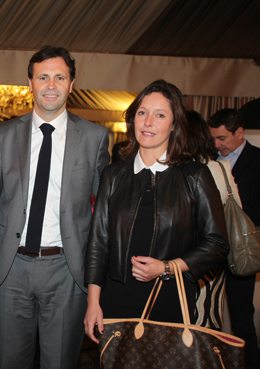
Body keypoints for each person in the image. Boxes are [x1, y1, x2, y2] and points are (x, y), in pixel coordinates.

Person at [84, 80, 229, 352]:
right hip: (116, 299)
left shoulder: (194, 176)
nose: (148, 122)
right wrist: (93, 303)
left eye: (160, 115)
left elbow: (217, 243)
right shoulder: (113, 175)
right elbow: (98, 243)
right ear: (133, 119)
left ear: (174, 125)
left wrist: (166, 267)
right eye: (142, 113)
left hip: (169, 298)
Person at [0, 46, 110, 369]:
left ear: (72, 84)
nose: (52, 85)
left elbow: (104, 214)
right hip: (11, 269)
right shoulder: (3, 135)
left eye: (60, 77)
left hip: (65, 270)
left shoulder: (95, 137)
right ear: (30, 82)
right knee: (12, 361)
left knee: (59, 362)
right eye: (43, 77)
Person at [208, 108, 260, 369]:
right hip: (209, 248)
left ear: (240, 133)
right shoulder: (210, 160)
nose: (217, 145)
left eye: (222, 139)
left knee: (241, 315)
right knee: (205, 314)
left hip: (242, 249)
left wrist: (229, 206)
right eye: (213, 139)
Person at [186, 110, 242, 330]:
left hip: (182, 258)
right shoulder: (220, 167)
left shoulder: (174, 169)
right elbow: (237, 209)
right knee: (206, 323)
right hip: (212, 259)